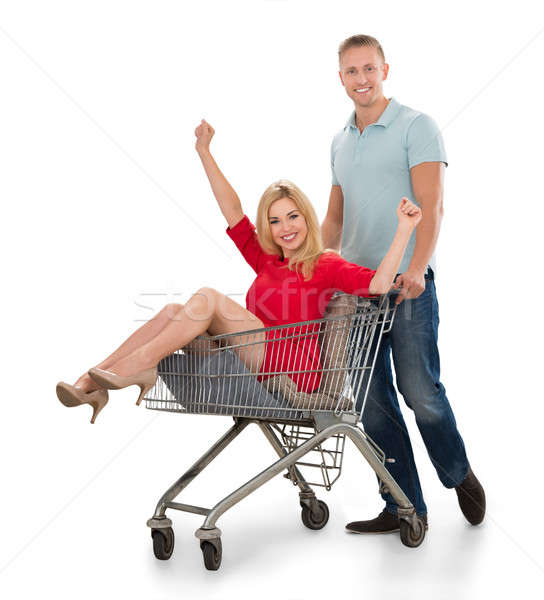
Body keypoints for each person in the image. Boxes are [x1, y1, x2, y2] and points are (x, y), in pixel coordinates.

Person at [56, 119, 421, 424]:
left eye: (293, 216)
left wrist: (404, 230)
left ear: (306, 218)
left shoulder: (325, 263)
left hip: (294, 367)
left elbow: (376, 284)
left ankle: (139, 366)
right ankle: (92, 381)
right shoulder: (267, 259)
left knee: (209, 299)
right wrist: (204, 153)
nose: (285, 227)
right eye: (275, 221)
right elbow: (232, 210)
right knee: (171, 312)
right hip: (255, 351)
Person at [321, 34, 485, 532]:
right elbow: (334, 218)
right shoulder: (339, 141)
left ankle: (458, 473)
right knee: (373, 407)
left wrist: (418, 267)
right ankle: (402, 505)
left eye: (369, 68)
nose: (361, 79)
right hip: (355, 294)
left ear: (385, 69)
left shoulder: (418, 127)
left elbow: (432, 205)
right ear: (341, 78)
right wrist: (316, 265)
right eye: (352, 71)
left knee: (421, 393)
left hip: (409, 289)